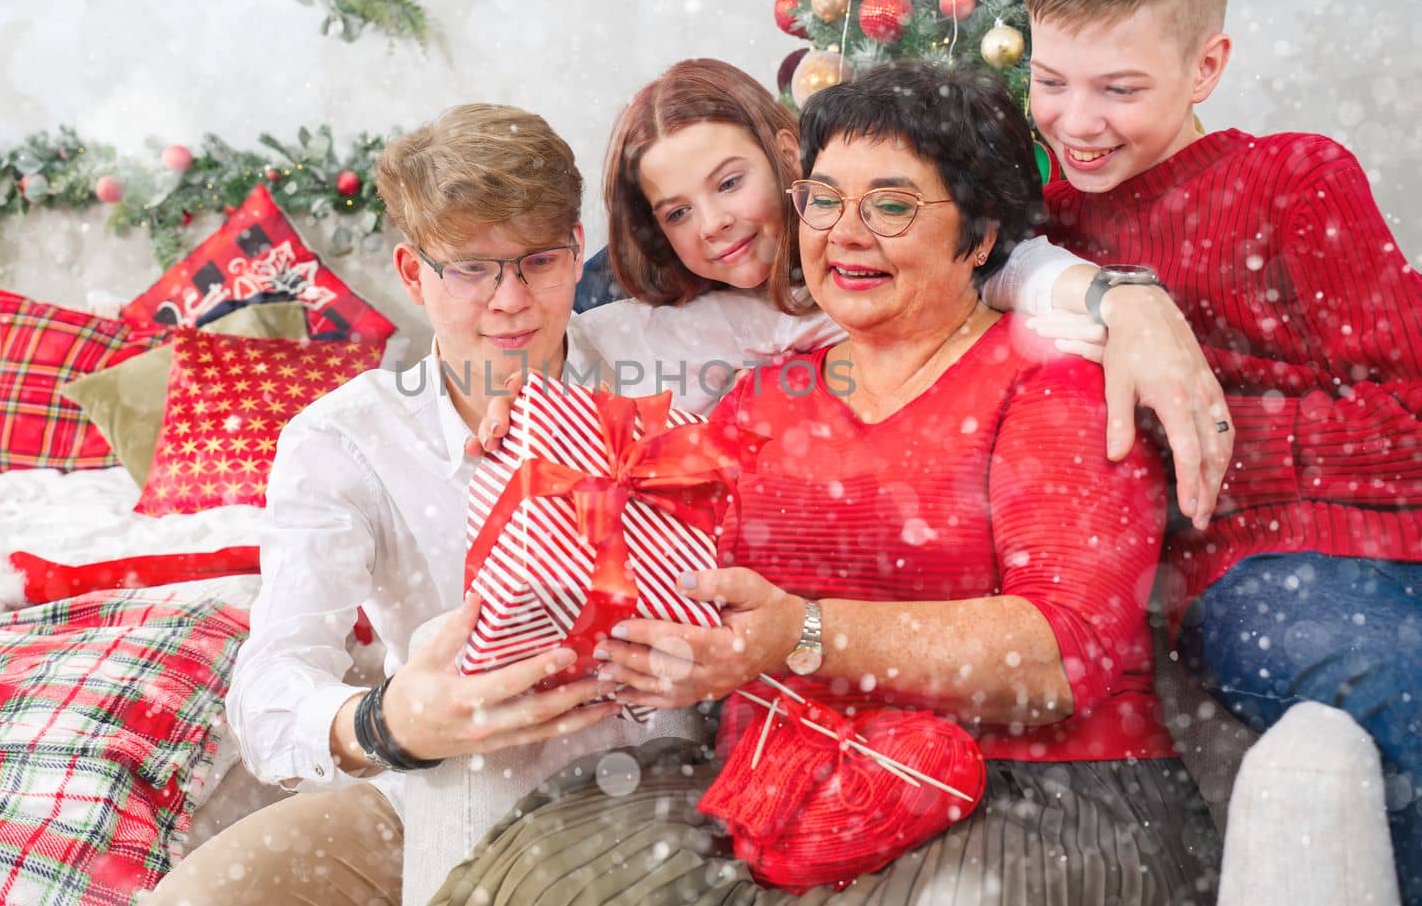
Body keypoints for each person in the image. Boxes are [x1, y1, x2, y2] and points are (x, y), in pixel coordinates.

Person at [429, 61, 1221, 905]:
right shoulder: (768, 393)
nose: (844, 233)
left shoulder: (1053, 385)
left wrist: (804, 634)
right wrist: (544, 437)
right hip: (778, 785)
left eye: (889, 205)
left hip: (1029, 794)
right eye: (823, 200)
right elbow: (658, 533)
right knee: (551, 879)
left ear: (981, 237)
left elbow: (1067, 651)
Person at [140, 105, 700, 906]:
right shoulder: (343, 437)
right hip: (431, 784)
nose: (510, 301)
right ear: (412, 274)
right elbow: (268, 690)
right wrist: (387, 723)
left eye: (538, 261)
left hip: (650, 787)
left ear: (578, 253)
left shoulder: (668, 358)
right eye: (471, 268)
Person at [1021, 0, 1422, 905]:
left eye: (1117, 88)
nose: (1075, 121)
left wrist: (1213, 435)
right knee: (1402, 684)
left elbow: (1410, 415)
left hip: (1399, 545)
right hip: (1256, 577)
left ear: (1207, 66)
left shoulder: (1296, 180)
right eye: (1048, 81)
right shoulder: (1050, 236)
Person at [519, 57, 1234, 528]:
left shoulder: (867, 253)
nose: (714, 224)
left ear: (790, 155)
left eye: (730, 182)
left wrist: (1129, 302)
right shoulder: (638, 310)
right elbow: (546, 365)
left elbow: (1014, 267)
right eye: (676, 211)